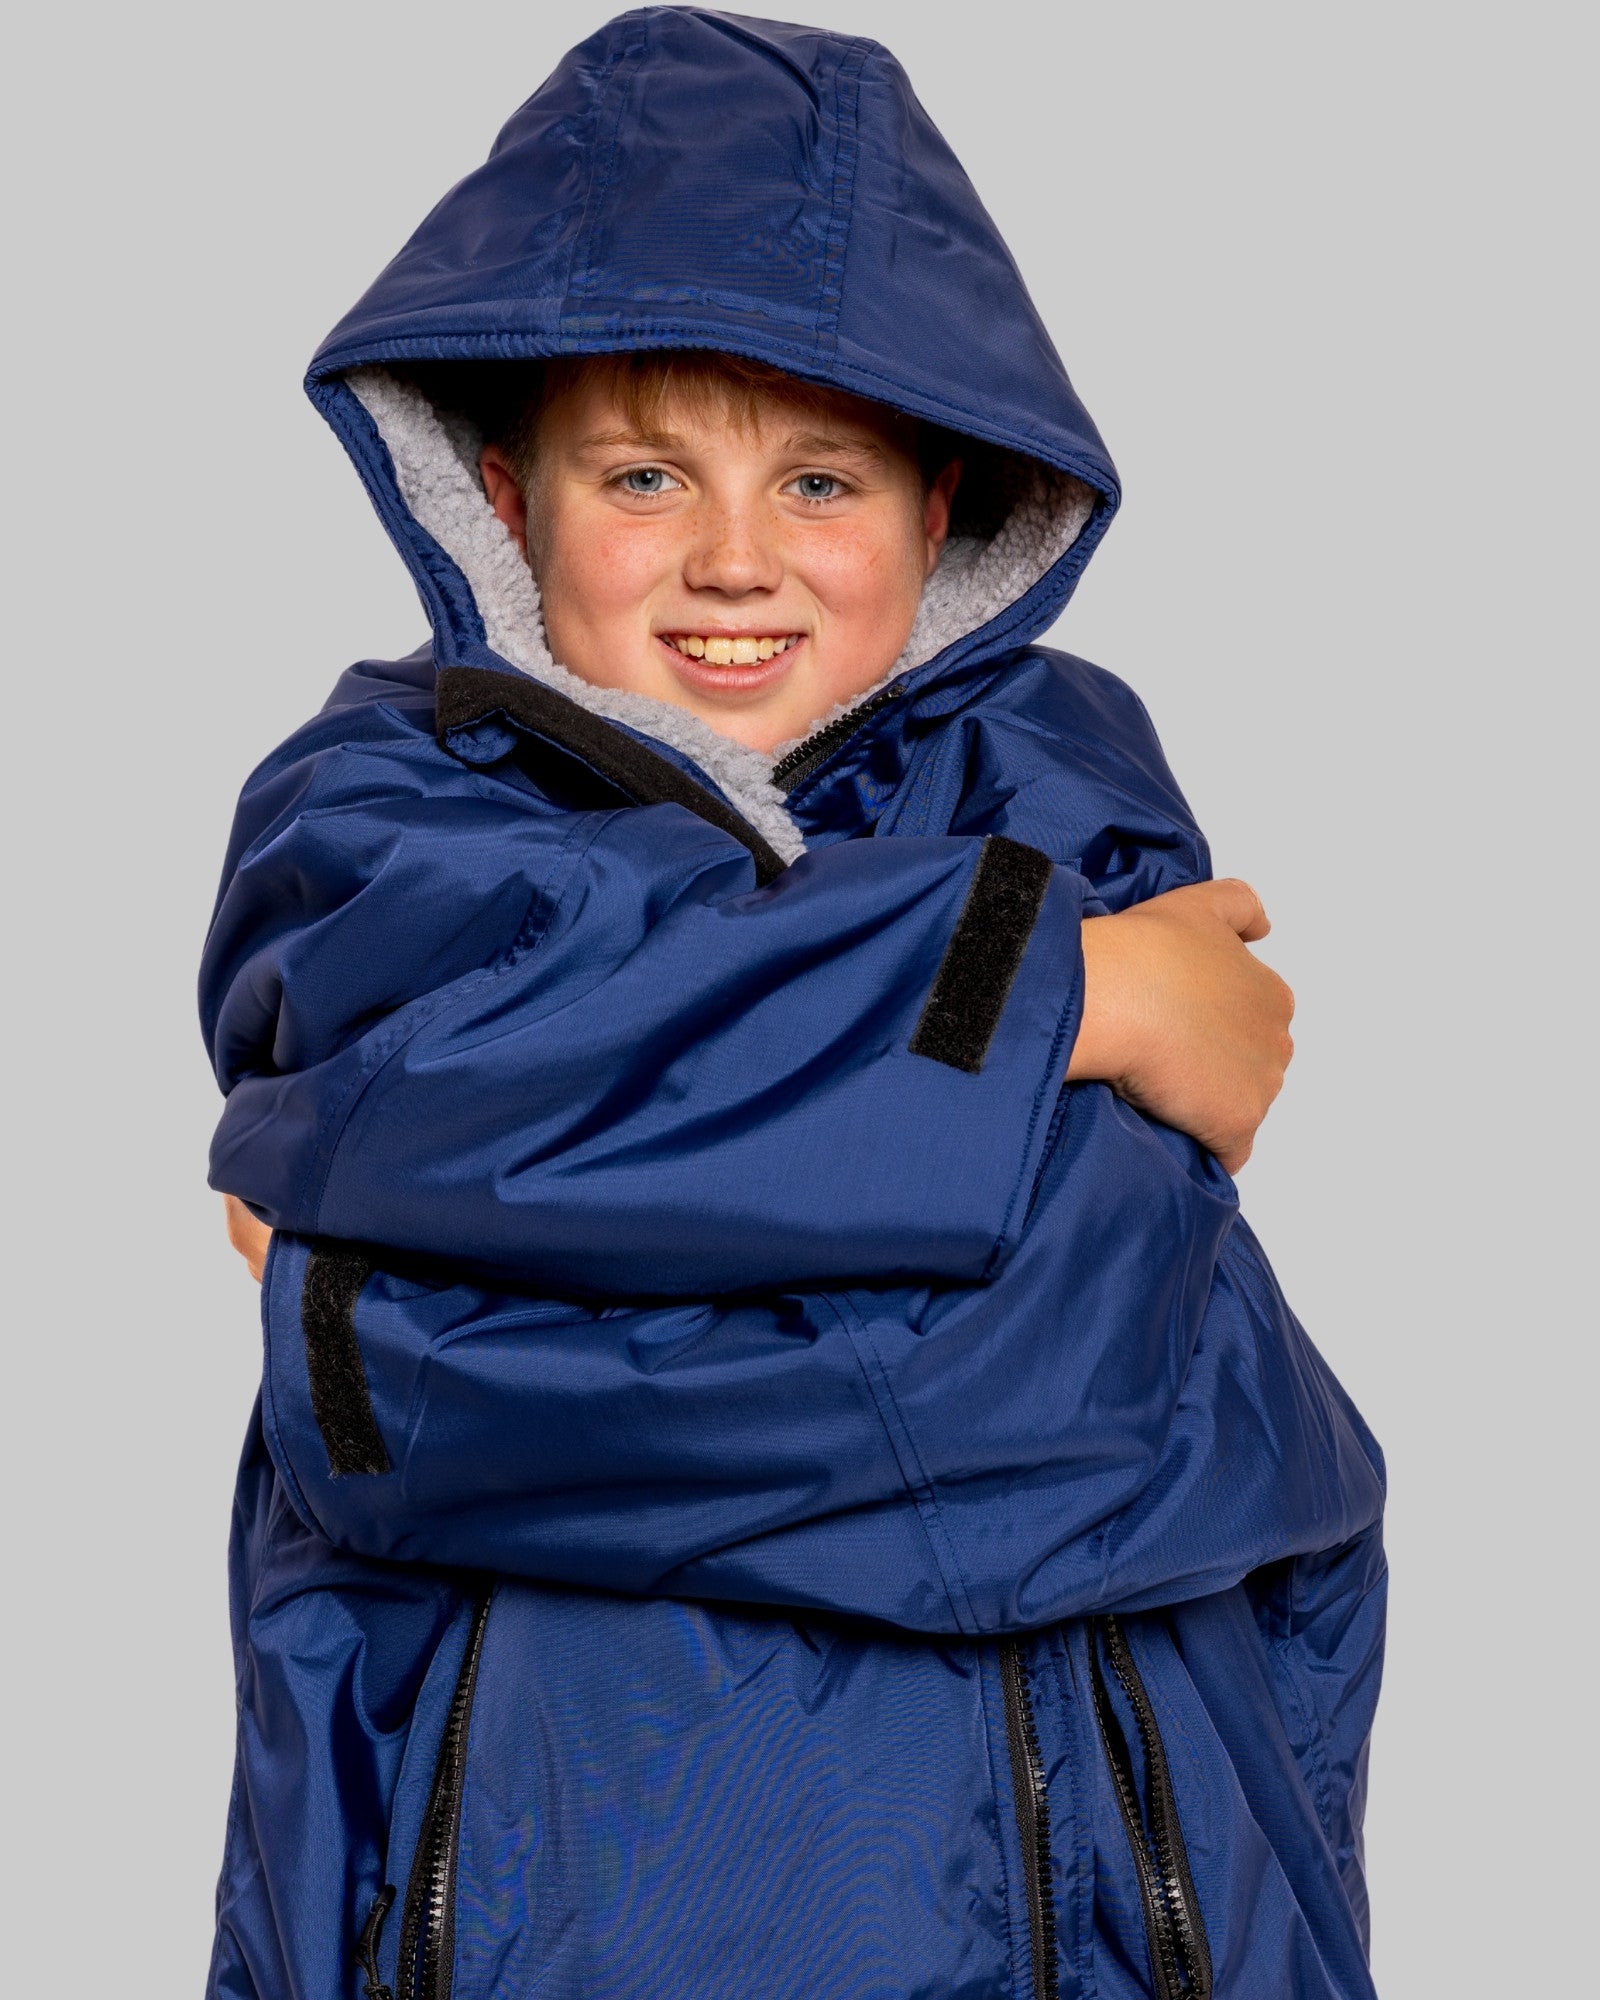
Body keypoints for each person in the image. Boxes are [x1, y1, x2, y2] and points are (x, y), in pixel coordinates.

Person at [201, 12, 1386, 1998]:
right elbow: (482, 1085)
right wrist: (1057, 1000)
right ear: (504, 496)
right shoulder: (373, 814)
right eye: (644, 472)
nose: (733, 559)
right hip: (551, 1909)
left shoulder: (1064, 791)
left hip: (1070, 1912)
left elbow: (1094, 1379)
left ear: (943, 509)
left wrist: (402, 1305)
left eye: (819, 476)